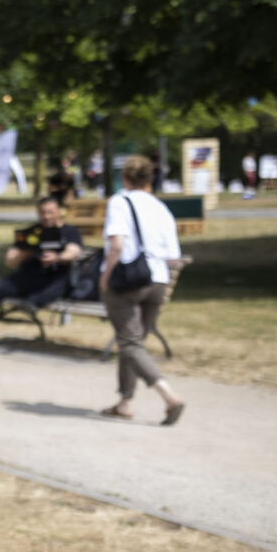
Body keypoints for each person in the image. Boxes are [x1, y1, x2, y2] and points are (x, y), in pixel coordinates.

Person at [100, 155, 186, 425]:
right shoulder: (161, 208)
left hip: (128, 279)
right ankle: (126, 401)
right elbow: (174, 255)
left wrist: (105, 277)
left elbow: (116, 244)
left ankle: (169, 397)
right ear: (150, 179)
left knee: (130, 343)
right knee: (134, 343)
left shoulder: (119, 201)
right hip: (158, 281)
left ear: (124, 178)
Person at [0, 195, 85, 325]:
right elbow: (10, 262)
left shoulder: (69, 231)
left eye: (50, 212)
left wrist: (57, 258)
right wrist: (28, 251)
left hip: (56, 277)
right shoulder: (31, 233)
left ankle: (32, 303)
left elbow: (74, 251)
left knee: (63, 282)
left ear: (58, 211)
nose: (47, 216)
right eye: (42, 212)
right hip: (30, 275)